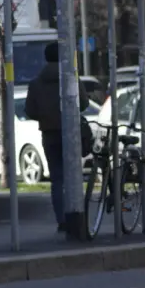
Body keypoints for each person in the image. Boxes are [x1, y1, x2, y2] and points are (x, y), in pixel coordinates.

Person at [24, 42, 89, 233]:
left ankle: (61, 219)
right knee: (73, 178)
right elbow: (83, 104)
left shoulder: (36, 83)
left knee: (57, 179)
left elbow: (29, 110)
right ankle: (76, 215)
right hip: (71, 134)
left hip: (49, 133)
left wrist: (46, 116)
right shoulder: (71, 79)